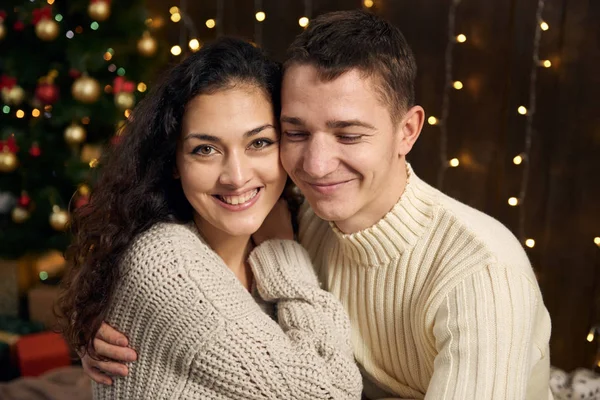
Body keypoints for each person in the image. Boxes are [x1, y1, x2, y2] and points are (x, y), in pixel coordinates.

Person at [83, 10, 553, 400]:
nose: (317, 165)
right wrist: (106, 326)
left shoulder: (480, 271)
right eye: (296, 133)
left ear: (407, 131)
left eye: (348, 134)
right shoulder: (293, 221)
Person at [57, 37, 362, 400]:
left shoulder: (288, 226)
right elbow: (333, 392)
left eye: (259, 143)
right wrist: (283, 251)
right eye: (205, 149)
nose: (235, 175)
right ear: (174, 162)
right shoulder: (169, 261)